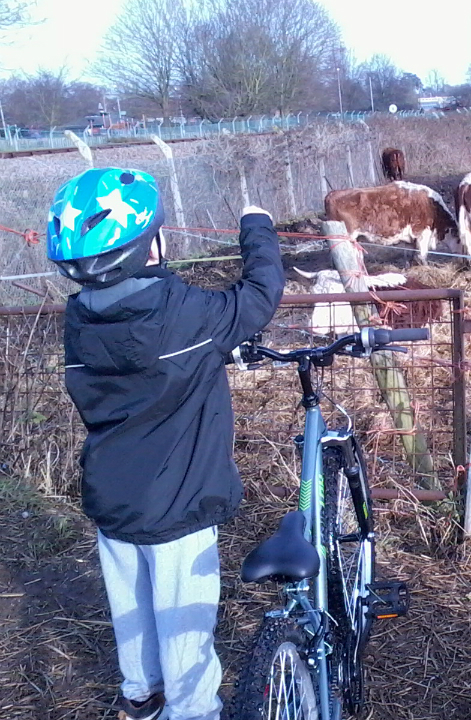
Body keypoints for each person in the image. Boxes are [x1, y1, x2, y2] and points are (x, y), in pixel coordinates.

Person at [46, 167, 284, 720]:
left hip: (112, 494)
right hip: (180, 502)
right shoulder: (187, 315)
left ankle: (141, 696)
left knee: (130, 606)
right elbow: (260, 293)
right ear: (148, 247)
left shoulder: (79, 320)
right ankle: (193, 710)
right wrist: (257, 225)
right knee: (183, 625)